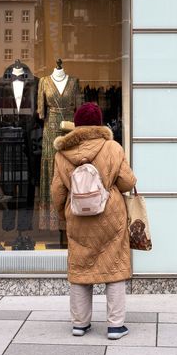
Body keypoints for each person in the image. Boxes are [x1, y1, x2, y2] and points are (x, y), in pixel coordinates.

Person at [50, 102, 136, 340]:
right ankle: (115, 326)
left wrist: (64, 213)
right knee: (114, 268)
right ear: (99, 123)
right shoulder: (112, 147)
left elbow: (57, 192)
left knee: (80, 269)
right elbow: (128, 182)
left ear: (76, 124)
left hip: (77, 217)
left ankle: (80, 324)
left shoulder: (61, 154)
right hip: (111, 217)